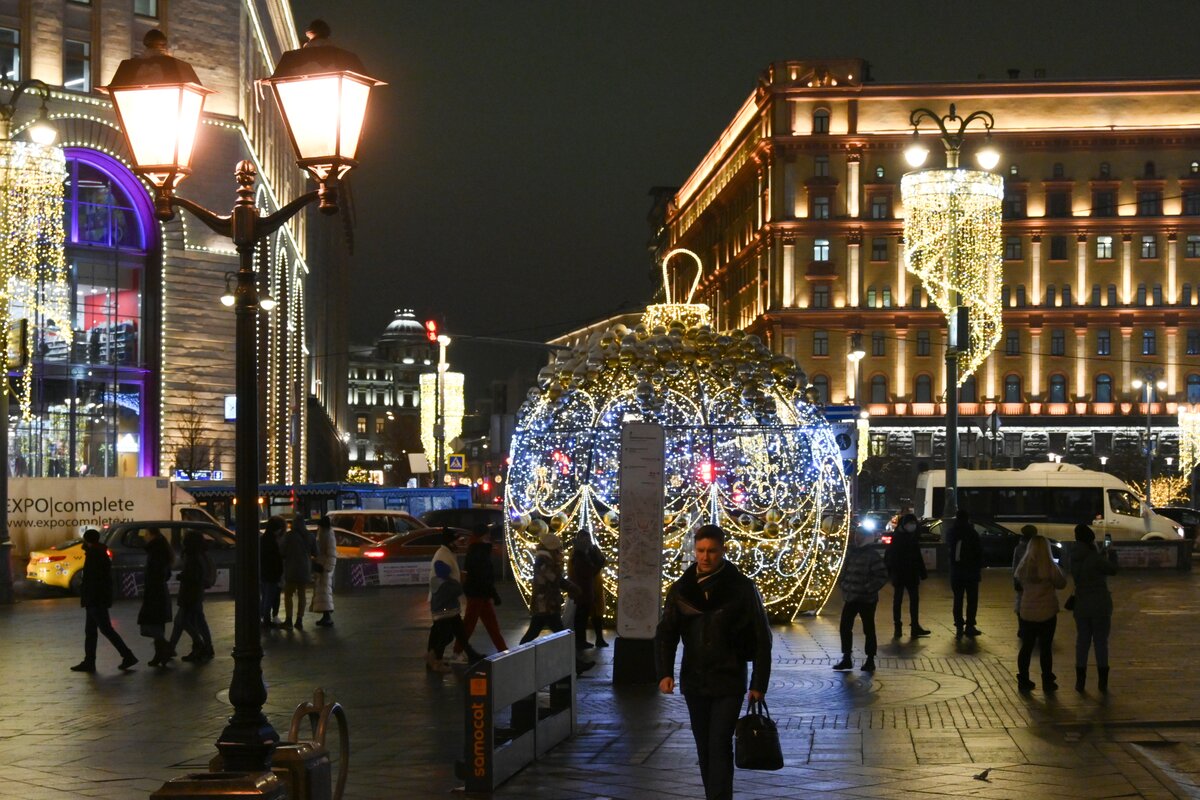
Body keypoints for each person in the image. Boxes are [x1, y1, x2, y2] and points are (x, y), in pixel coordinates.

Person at [656, 525, 772, 800]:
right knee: (704, 746)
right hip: (695, 679)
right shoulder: (682, 590)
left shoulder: (741, 588)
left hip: (728, 677)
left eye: (711, 551)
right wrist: (664, 672)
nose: (705, 557)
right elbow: (666, 633)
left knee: (719, 743)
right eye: (700, 551)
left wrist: (759, 683)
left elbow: (761, 636)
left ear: (723, 550)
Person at [71, 528, 138, 673]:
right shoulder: (99, 552)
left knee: (104, 629)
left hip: (95, 599)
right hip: (97, 599)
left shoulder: (94, 554)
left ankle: (127, 655)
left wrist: (89, 597)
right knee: (92, 631)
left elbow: (93, 580)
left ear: (87, 540)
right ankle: (90, 660)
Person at [1014, 534, 1067, 692]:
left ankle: (1024, 679)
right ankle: (1047, 680)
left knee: (1026, 647)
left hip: (1026, 612)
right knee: (1045, 648)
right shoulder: (1050, 567)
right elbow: (1062, 584)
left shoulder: (1023, 567)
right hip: (1047, 612)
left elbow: (1018, 585)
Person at [833, 523, 890, 672]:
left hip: (866, 599)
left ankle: (870, 659)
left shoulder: (872, 555)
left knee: (868, 628)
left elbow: (882, 575)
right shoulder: (851, 552)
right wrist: (844, 585)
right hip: (851, 597)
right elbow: (843, 571)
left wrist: (867, 589)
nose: (856, 538)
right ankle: (846, 657)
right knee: (845, 627)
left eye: (859, 535)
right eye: (856, 535)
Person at [1070, 523, 1118, 693]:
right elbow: (1113, 570)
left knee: (1082, 642)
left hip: (1081, 604)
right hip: (1099, 605)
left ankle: (1080, 681)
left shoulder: (1073, 556)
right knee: (1100, 643)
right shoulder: (1095, 557)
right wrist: (1111, 553)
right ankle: (1102, 682)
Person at [455, 524, 507, 657]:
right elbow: (484, 575)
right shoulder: (480, 552)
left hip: (478, 592)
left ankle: (503, 649)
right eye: (487, 534)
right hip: (478, 592)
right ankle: (457, 651)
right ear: (483, 536)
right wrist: (493, 594)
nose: (489, 537)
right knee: (471, 623)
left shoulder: (476, 550)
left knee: (489, 623)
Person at [518, 532, 579, 644]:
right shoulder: (544, 560)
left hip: (545, 603)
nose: (560, 550)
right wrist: (571, 587)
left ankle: (518, 653)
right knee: (560, 633)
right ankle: (573, 659)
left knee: (535, 631)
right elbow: (555, 578)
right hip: (546, 603)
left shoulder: (545, 559)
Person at [427, 559, 484, 672]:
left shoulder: (435, 581)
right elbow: (457, 590)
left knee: (460, 633)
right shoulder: (446, 585)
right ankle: (436, 659)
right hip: (446, 614)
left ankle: (470, 653)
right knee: (446, 637)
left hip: (448, 613)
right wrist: (461, 580)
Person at [168, 529, 215, 663]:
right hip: (195, 594)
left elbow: (193, 575)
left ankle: (199, 645)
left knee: (182, 622)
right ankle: (204, 647)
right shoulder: (200, 555)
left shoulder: (192, 557)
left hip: (190, 594)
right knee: (196, 621)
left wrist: (181, 576)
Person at [884, 513, 929, 638]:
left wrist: (922, 572)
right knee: (899, 600)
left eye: (914, 523)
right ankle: (899, 626)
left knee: (912, 600)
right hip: (901, 573)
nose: (913, 526)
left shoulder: (911, 537)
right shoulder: (898, 537)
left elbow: (917, 556)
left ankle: (914, 626)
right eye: (911, 523)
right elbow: (890, 557)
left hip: (910, 574)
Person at [139, 527, 175, 667]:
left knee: (153, 623)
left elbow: (155, 572)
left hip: (154, 592)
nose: (144, 537)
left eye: (146, 534)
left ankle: (164, 651)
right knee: (157, 624)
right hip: (159, 591)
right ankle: (161, 653)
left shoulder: (155, 552)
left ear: (151, 535)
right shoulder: (162, 550)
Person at [946, 509, 984, 639]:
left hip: (956, 572)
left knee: (958, 599)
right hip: (971, 572)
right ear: (968, 518)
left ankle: (958, 625)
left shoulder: (951, 532)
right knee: (972, 600)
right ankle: (970, 626)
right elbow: (978, 552)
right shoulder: (971, 532)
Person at [568, 531, 607, 650]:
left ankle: (598, 638)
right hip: (583, 587)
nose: (587, 541)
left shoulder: (592, 550)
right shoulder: (577, 554)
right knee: (582, 615)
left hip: (594, 585)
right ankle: (581, 641)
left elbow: (601, 562)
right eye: (584, 539)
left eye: (588, 538)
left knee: (596, 613)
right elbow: (587, 571)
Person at [281, 516, 317, 630]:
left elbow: (282, 551)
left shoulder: (289, 536)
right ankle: (299, 620)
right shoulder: (310, 536)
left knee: (288, 595)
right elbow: (316, 552)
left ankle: (288, 620)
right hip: (305, 569)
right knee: (302, 594)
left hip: (291, 569)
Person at [311, 516, 337, 627]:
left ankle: (327, 616)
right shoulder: (325, 534)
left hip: (324, 567)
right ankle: (326, 615)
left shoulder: (327, 535)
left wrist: (326, 567)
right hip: (322, 566)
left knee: (324, 591)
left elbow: (331, 554)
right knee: (323, 591)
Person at [260, 516, 285, 627]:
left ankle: (264, 618)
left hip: (265, 573)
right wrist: (279, 573)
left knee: (265, 596)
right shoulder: (273, 542)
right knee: (269, 597)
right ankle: (267, 620)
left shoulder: (263, 539)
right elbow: (276, 560)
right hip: (272, 574)